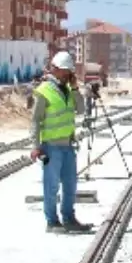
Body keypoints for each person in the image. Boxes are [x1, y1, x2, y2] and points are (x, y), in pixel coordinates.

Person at [29, 51, 93, 233]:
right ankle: (52, 221)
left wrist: (74, 89)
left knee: (70, 184)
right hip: (51, 147)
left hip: (68, 146)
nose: (67, 75)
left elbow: (80, 110)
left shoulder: (67, 90)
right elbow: (35, 120)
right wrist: (35, 146)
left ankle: (69, 218)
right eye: (65, 72)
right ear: (55, 69)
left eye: (69, 72)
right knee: (51, 186)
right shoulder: (43, 91)